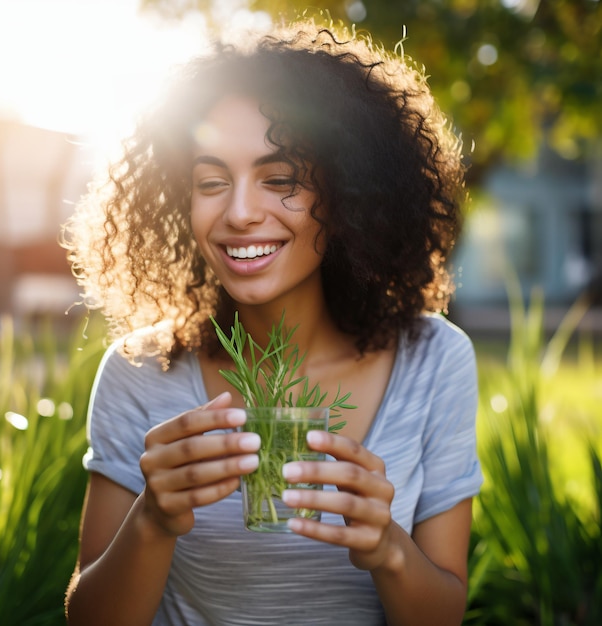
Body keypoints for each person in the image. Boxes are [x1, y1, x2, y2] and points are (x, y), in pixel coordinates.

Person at [63, 16, 483, 626]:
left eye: (279, 179)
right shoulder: (141, 373)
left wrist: (388, 547)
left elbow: (444, 613)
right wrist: (151, 521)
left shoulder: (433, 361)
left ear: (346, 193)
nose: (238, 212)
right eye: (210, 181)